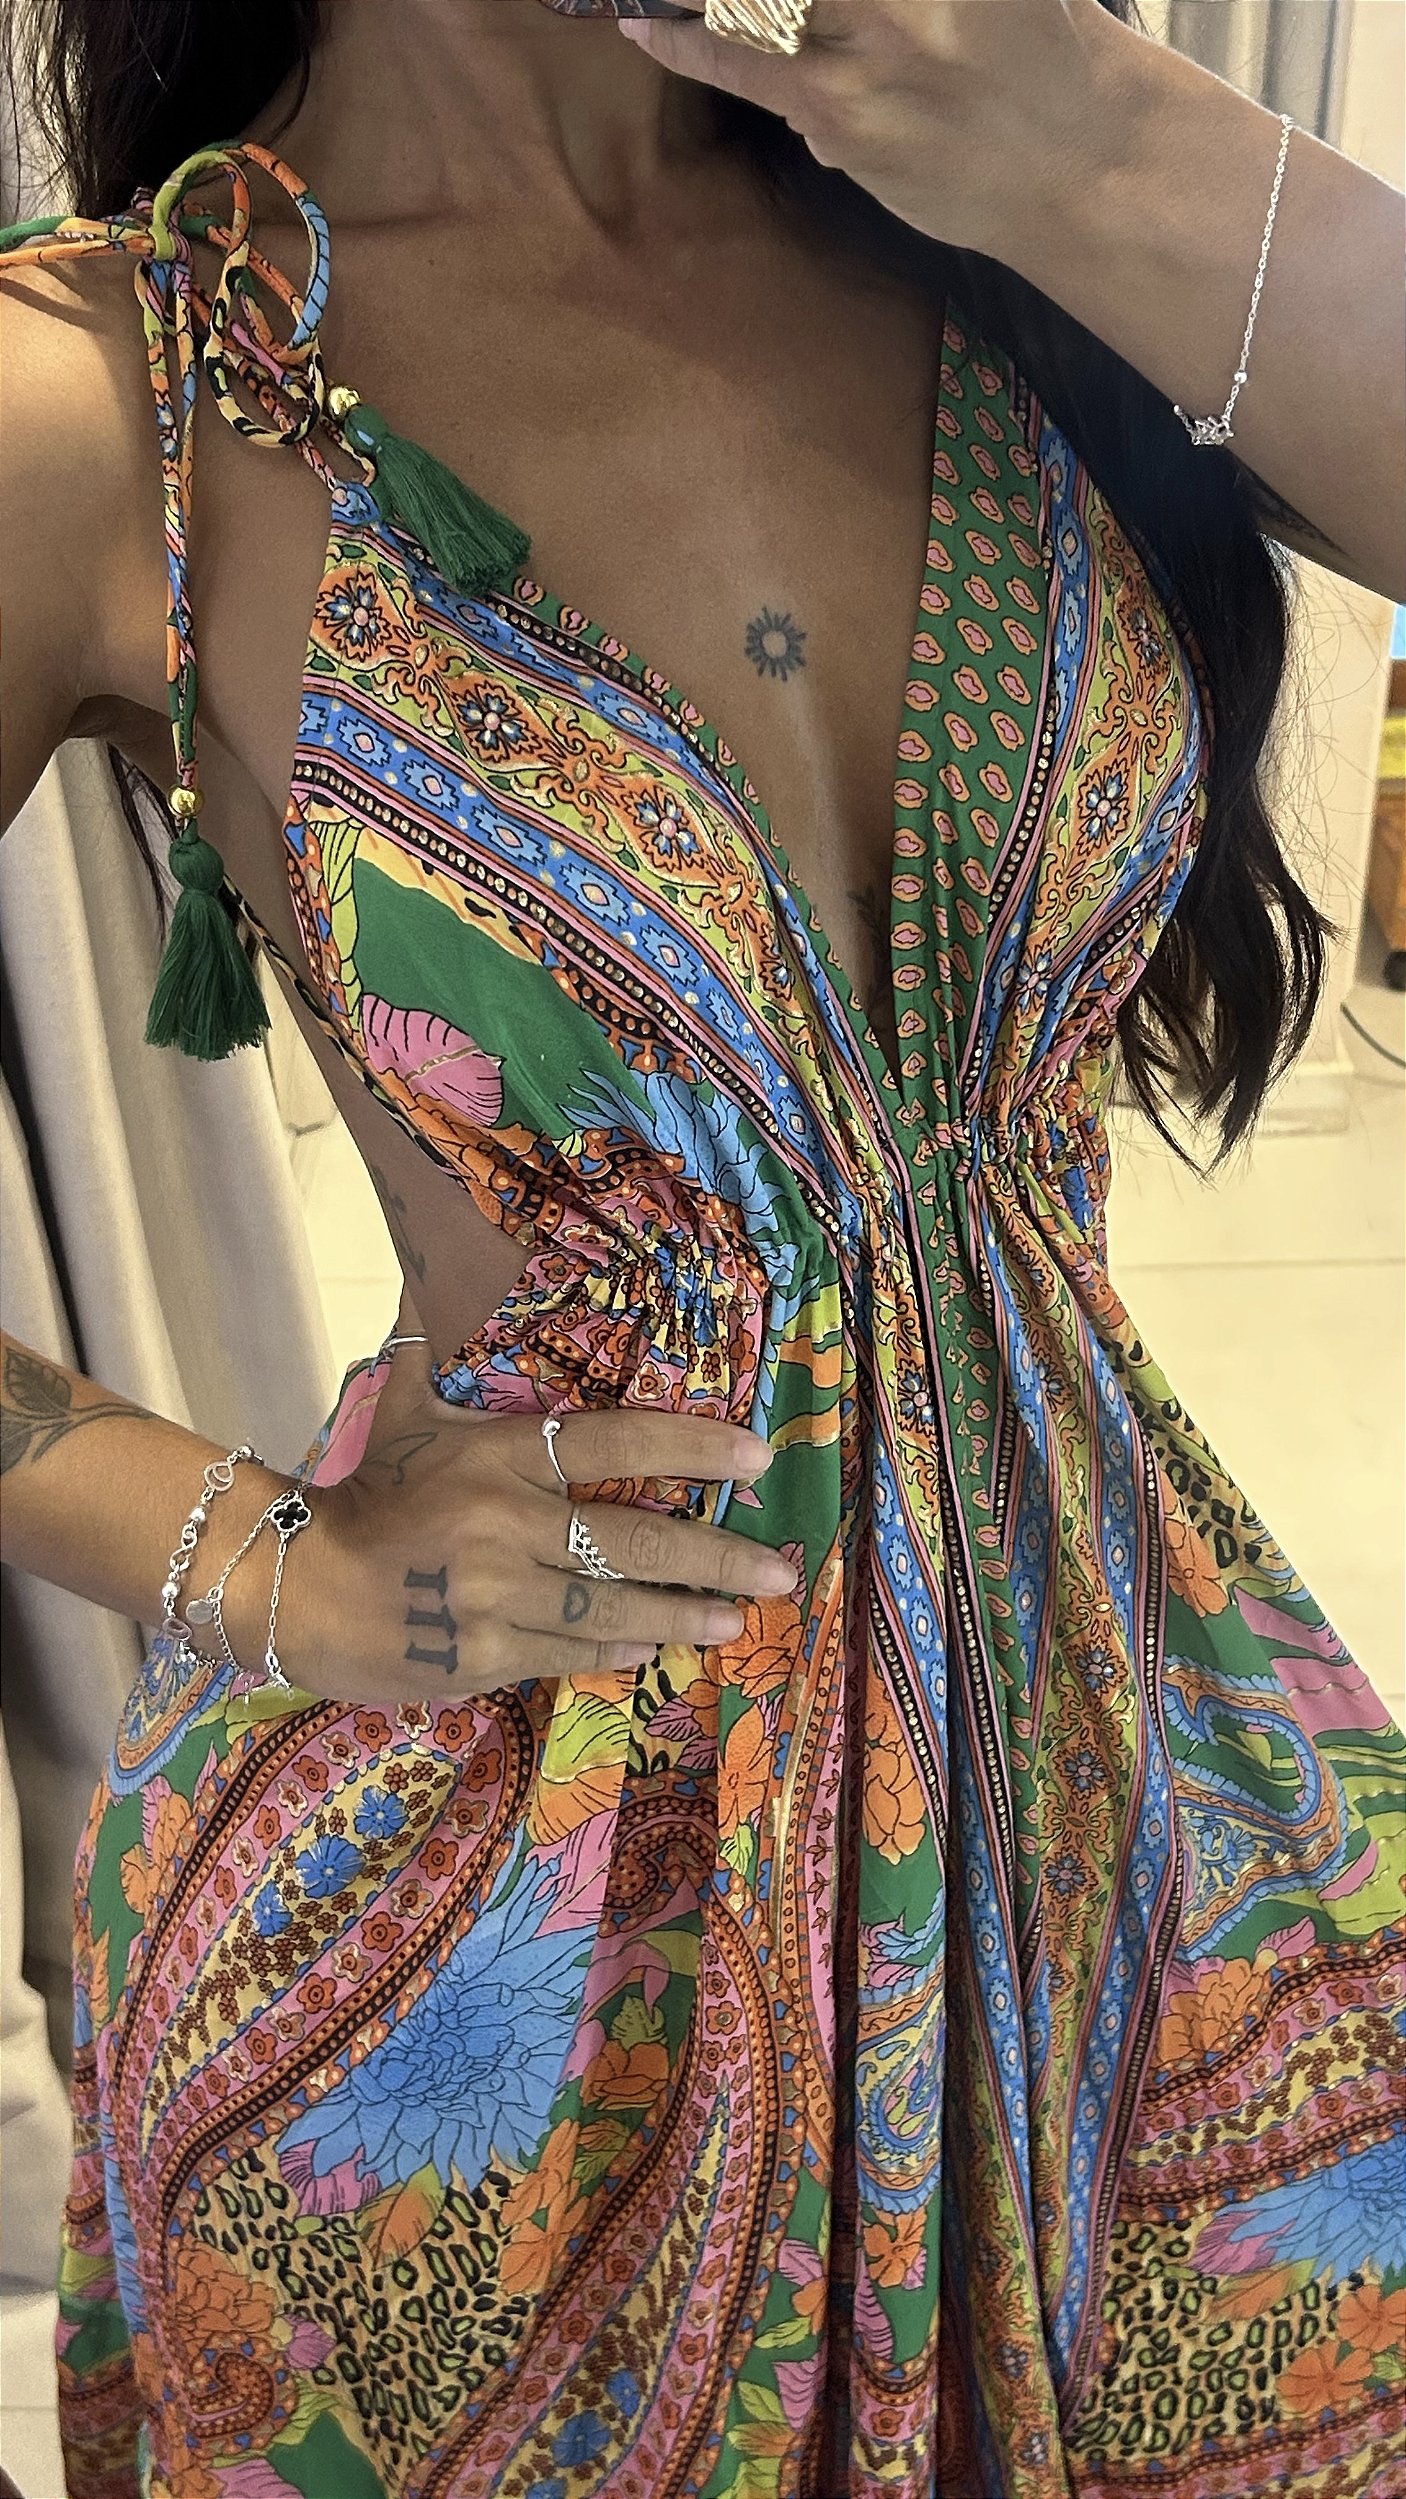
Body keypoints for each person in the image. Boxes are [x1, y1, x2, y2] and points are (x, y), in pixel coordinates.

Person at [1, 3, 1403, 2493]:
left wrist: (1102, 136)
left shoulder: (986, 198)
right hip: (506, 1998)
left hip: (1142, 1836)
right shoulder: (111, 393)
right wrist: (258, 1557)